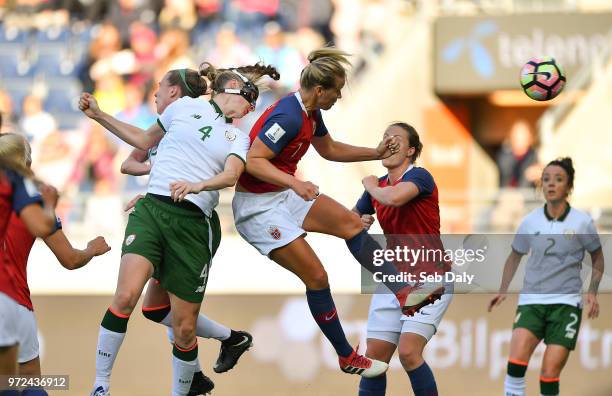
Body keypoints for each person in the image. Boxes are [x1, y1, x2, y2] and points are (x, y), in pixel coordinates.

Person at [232, 47, 442, 378]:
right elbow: (253, 161)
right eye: (336, 90)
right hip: (258, 209)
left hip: (281, 192)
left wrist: (373, 153)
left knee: (349, 223)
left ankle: (404, 293)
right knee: (317, 277)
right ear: (319, 90)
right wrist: (295, 183)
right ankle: (346, 355)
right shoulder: (288, 116)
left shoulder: (309, 112)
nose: (339, 96)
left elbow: (328, 149)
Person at [79, 62, 279, 396]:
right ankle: (100, 386)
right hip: (153, 210)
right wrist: (99, 115)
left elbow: (230, 177)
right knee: (127, 297)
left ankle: (203, 369)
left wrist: (197, 185)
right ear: (232, 90)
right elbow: (143, 139)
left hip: (193, 224)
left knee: (183, 328)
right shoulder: (185, 107)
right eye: (249, 99)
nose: (250, 107)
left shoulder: (238, 137)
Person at [488, 157, 604, 396]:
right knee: (515, 365)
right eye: (547, 179)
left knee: (549, 374)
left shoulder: (582, 222)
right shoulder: (530, 221)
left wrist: (592, 290)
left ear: (569, 187)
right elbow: (514, 256)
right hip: (532, 303)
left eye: (558, 179)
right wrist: (503, 289)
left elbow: (598, 257)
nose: (551, 184)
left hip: (566, 306)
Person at [1, 134, 111, 379]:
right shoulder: (34, 203)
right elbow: (70, 259)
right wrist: (92, 248)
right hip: (12, 302)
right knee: (26, 381)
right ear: (25, 165)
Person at [354, 123, 451, 396]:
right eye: (385, 136)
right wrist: (358, 221)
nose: (388, 140)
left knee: (409, 353)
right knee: (373, 362)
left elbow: (394, 198)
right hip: (393, 279)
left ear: (410, 150)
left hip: (429, 278)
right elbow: (349, 222)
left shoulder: (419, 176)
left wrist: (369, 184)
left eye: (396, 137)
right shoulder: (378, 187)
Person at [0, 133, 58, 376]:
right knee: (23, 381)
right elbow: (70, 257)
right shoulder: (19, 188)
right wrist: (50, 205)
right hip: (11, 296)